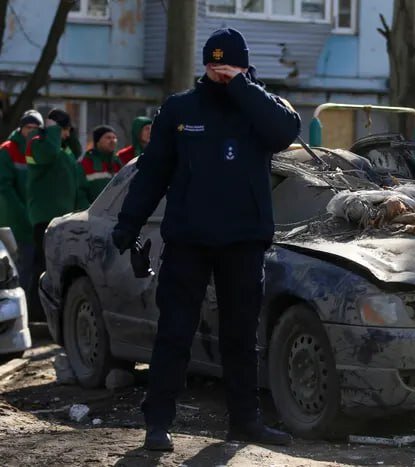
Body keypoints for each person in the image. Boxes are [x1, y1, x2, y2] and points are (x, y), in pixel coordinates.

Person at [111, 28, 300, 451]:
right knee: (175, 332)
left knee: (240, 335)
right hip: (189, 240)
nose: (220, 71)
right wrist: (128, 224)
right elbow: (153, 173)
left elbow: (285, 131)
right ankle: (158, 422)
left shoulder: (260, 108)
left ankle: (244, 423)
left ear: (245, 67)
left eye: (228, 65)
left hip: (243, 241)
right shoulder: (180, 109)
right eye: (214, 65)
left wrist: (241, 86)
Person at [25, 109, 89, 320]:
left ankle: (55, 314)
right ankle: (36, 314)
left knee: (61, 267)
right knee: (43, 266)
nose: (67, 135)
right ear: (53, 129)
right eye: (64, 130)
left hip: (64, 218)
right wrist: (53, 128)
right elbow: (48, 154)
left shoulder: (63, 147)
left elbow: (76, 152)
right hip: (44, 217)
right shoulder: (37, 142)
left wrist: (68, 131)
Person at [0, 110, 43, 292]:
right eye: (28, 127)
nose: (31, 131)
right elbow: (5, 187)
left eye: (36, 128)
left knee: (33, 270)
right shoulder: (7, 150)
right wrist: (23, 214)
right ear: (21, 128)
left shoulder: (42, 150)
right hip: (16, 222)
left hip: (35, 221)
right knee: (17, 270)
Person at [79, 125, 122, 202]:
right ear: (97, 142)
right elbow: (80, 193)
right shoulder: (87, 163)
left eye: (114, 138)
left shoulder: (118, 163)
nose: (113, 141)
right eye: (108, 138)